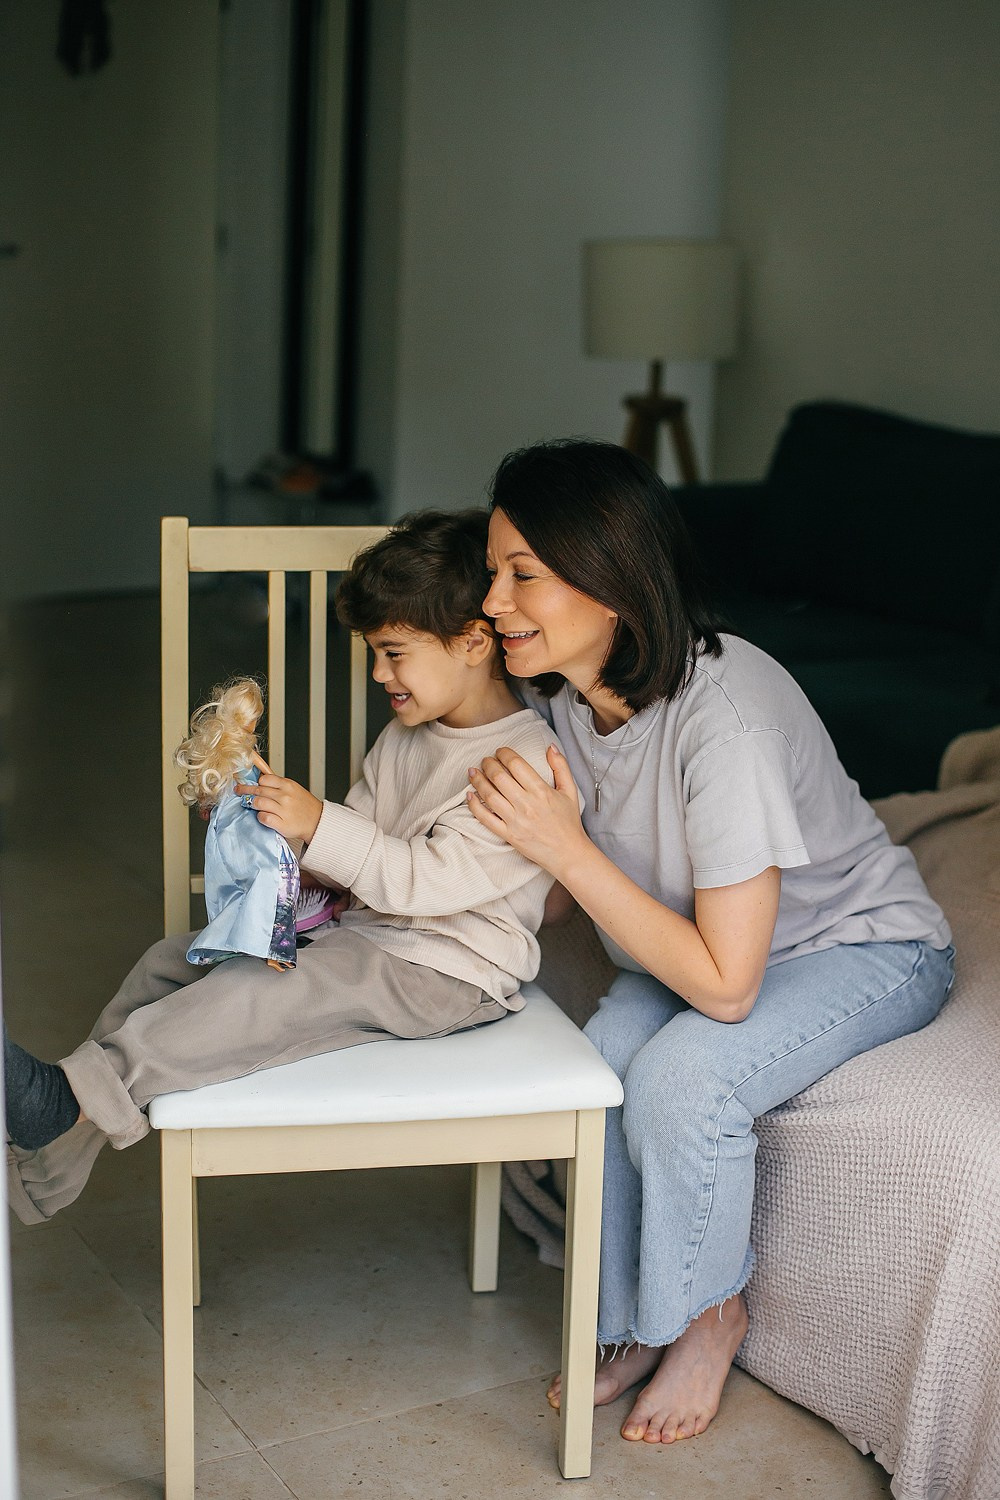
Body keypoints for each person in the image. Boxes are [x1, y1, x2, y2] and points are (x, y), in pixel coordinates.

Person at [466, 439, 954, 1449]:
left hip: (853, 947)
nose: (492, 600)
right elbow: (556, 907)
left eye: (521, 574)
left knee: (684, 1081)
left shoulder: (724, 717)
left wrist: (561, 845)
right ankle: (637, 1318)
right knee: (597, 1066)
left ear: (606, 585)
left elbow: (728, 992)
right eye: (490, 572)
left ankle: (708, 1315)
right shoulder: (563, 700)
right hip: (697, 946)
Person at [5, 509, 562, 1224]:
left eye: (393, 652)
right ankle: (59, 1123)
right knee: (166, 966)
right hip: (373, 940)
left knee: (256, 997)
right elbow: (355, 858)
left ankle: (63, 1102)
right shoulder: (407, 736)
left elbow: (423, 882)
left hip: (446, 972)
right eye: (372, 652)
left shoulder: (515, 764)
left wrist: (320, 824)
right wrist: (278, 830)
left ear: (473, 643)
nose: (376, 672)